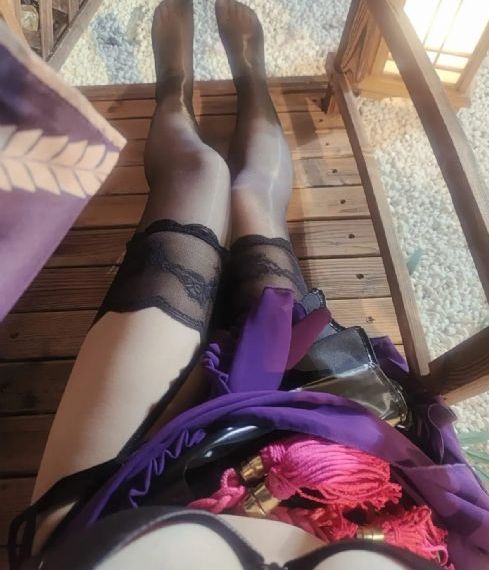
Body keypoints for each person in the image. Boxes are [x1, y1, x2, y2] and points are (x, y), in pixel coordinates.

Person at [9, 2, 489, 569]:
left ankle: (175, 87)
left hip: (118, 503)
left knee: (200, 173)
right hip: (331, 456)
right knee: (251, 198)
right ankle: (250, 79)